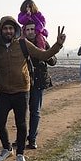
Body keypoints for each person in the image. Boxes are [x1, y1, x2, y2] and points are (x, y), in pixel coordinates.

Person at [0, 16, 66, 161]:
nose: (8, 31)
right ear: (1, 30)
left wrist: (58, 44)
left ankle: (20, 155)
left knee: (21, 123)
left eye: (11, 28)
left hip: (21, 91)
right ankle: (6, 148)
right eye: (5, 28)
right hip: (4, 91)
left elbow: (43, 55)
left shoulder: (24, 44)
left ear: (16, 29)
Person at [23, 21, 57, 150]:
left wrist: (45, 55)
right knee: (21, 112)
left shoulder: (42, 42)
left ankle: (32, 138)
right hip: (23, 81)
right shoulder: (20, 43)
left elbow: (53, 61)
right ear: (24, 31)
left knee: (35, 111)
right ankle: (21, 137)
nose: (31, 32)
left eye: (32, 29)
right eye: (28, 29)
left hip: (38, 81)